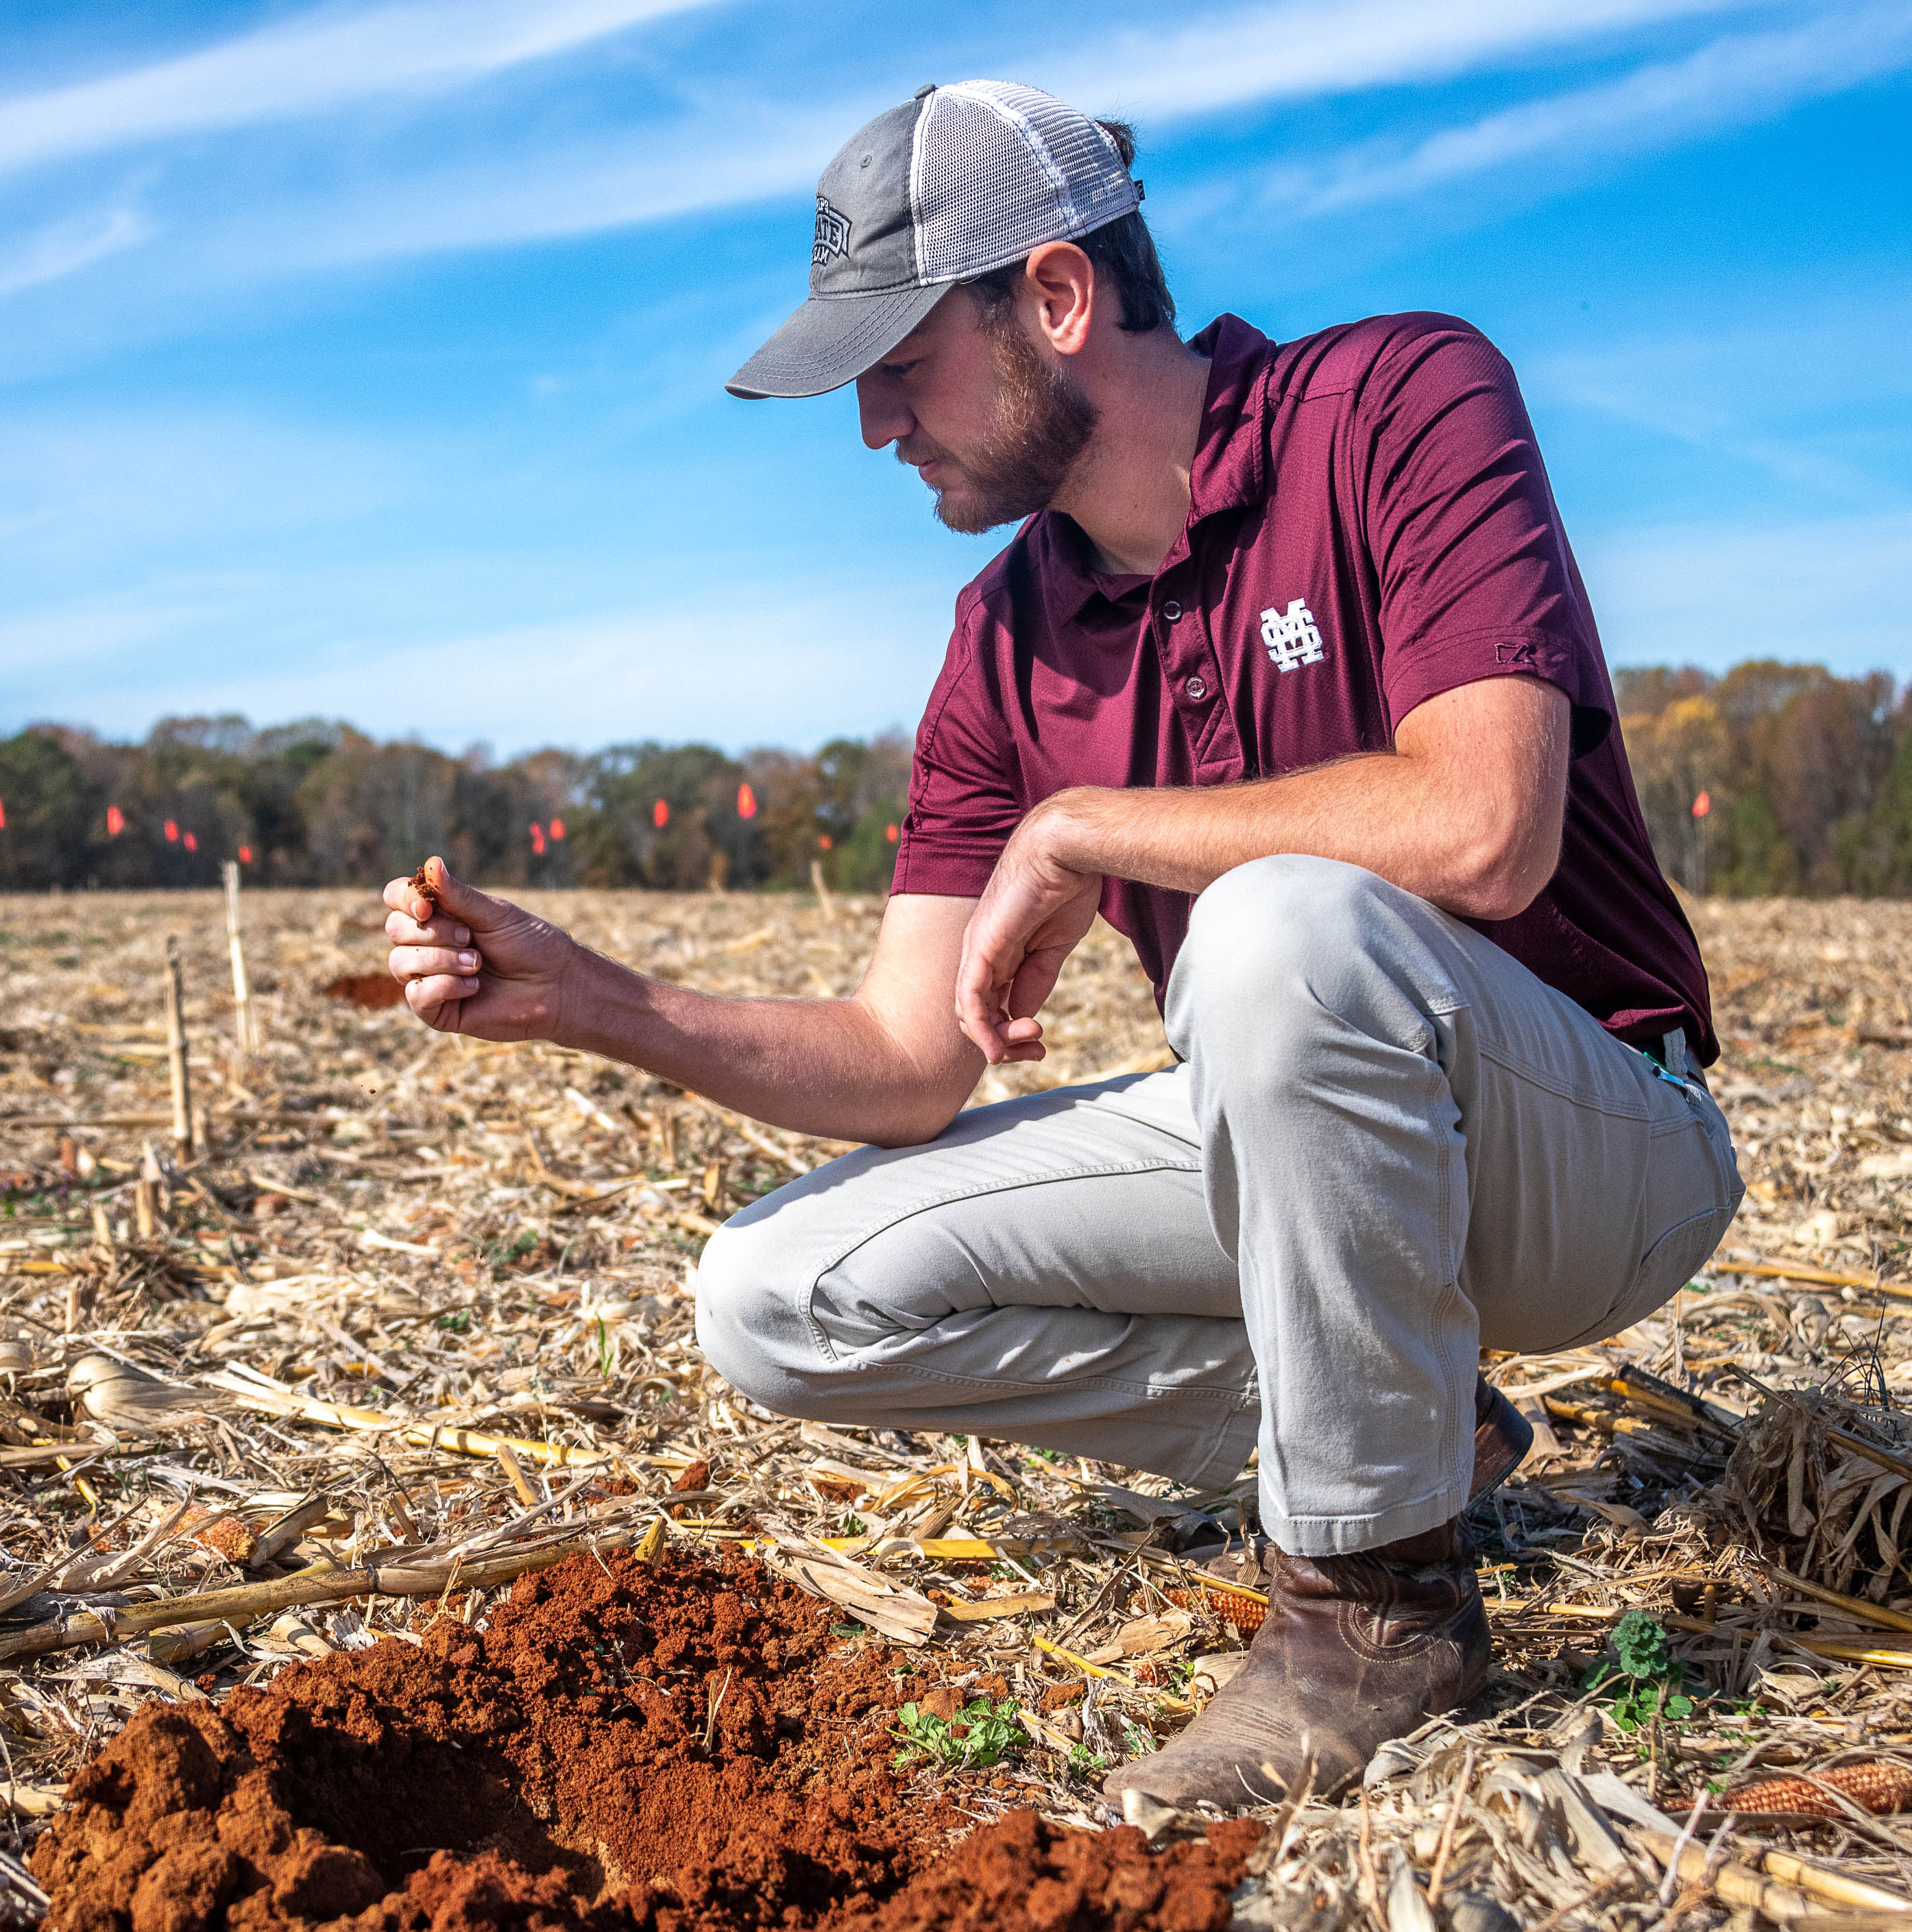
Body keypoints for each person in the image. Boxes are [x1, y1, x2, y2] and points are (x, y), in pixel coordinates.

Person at [381, 79, 1742, 1813]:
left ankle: (1374, 1616)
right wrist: (593, 998)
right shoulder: (1003, 635)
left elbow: (1486, 826)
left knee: (1275, 931)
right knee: (776, 1299)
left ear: (1056, 296)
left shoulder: (1400, 397)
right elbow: (903, 1058)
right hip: (1301, 1127)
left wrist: (1088, 825)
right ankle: (1412, 1432)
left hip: (1592, 1136)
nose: (874, 423)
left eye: (898, 358)